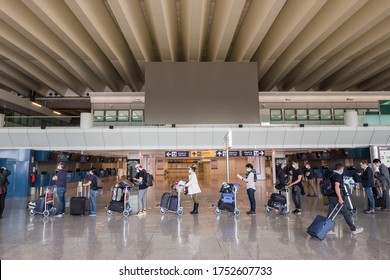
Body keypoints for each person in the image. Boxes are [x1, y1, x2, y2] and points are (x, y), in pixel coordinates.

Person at [328, 163, 363, 235]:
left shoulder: (331, 174)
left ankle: (326, 229)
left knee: (331, 213)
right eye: (343, 169)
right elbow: (336, 187)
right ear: (340, 169)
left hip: (330, 196)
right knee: (345, 213)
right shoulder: (337, 176)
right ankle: (353, 229)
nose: (343, 170)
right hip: (336, 197)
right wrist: (340, 198)